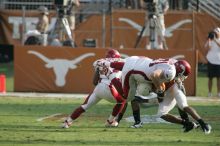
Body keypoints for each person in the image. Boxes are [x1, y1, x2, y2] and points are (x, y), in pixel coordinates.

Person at [128, 60, 212, 134]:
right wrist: (158, 93)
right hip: (167, 89)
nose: (183, 78)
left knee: (184, 106)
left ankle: (203, 124)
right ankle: (187, 124)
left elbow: (160, 93)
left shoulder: (170, 69)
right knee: (162, 114)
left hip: (173, 87)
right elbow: (159, 95)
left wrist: (157, 94)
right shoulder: (158, 74)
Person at [62, 49, 127, 128]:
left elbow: (94, 82)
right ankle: (110, 121)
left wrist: (98, 71)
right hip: (109, 88)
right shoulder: (122, 63)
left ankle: (67, 122)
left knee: (84, 106)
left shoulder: (101, 63)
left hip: (98, 88)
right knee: (122, 101)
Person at [204, 27, 220, 97]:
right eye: (214, 32)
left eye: (216, 32)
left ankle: (218, 93)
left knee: (218, 78)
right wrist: (209, 39)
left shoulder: (218, 40)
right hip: (210, 61)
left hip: (219, 61)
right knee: (210, 78)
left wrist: (215, 40)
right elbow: (207, 48)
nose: (215, 34)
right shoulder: (210, 40)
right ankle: (209, 93)